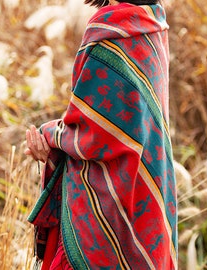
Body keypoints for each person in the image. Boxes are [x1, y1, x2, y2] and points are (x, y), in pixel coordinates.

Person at [25, 0, 178, 269]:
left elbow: (92, 135)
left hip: (102, 211)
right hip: (146, 198)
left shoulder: (109, 27)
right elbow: (115, 124)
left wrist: (50, 137)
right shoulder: (154, 24)